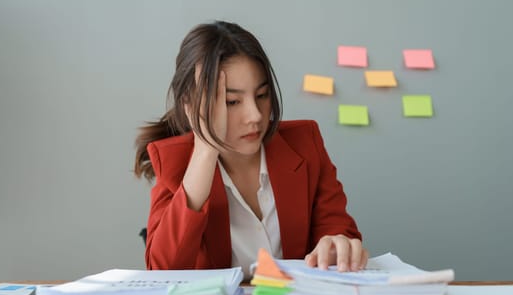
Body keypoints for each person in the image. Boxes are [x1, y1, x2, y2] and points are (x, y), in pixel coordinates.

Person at [134, 20, 368, 278]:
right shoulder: (175, 162)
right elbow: (163, 271)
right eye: (232, 101)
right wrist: (205, 149)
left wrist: (337, 243)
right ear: (192, 105)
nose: (255, 116)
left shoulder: (305, 143)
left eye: (262, 95)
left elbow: (336, 227)